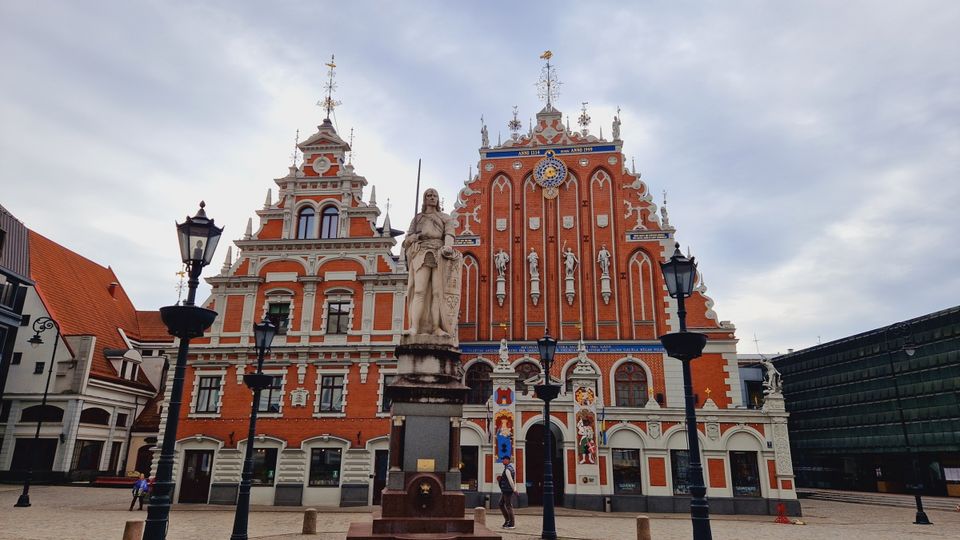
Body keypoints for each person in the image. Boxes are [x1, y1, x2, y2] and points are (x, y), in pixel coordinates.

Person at [403, 188, 462, 336]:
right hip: (422, 252)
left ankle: (436, 328)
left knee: (437, 292)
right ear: (424, 199)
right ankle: (415, 327)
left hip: (439, 254)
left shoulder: (444, 217)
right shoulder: (418, 219)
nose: (432, 198)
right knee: (419, 290)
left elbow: (449, 234)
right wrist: (413, 238)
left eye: (435, 195)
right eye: (429, 195)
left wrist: (448, 246)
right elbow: (406, 241)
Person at [497, 456, 516, 529]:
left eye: (503, 460)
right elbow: (513, 480)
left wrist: (514, 489)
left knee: (508, 506)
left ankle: (511, 523)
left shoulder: (508, 469)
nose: (502, 461)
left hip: (507, 490)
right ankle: (508, 520)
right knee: (501, 503)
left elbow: (511, 480)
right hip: (505, 489)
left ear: (507, 460)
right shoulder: (509, 468)